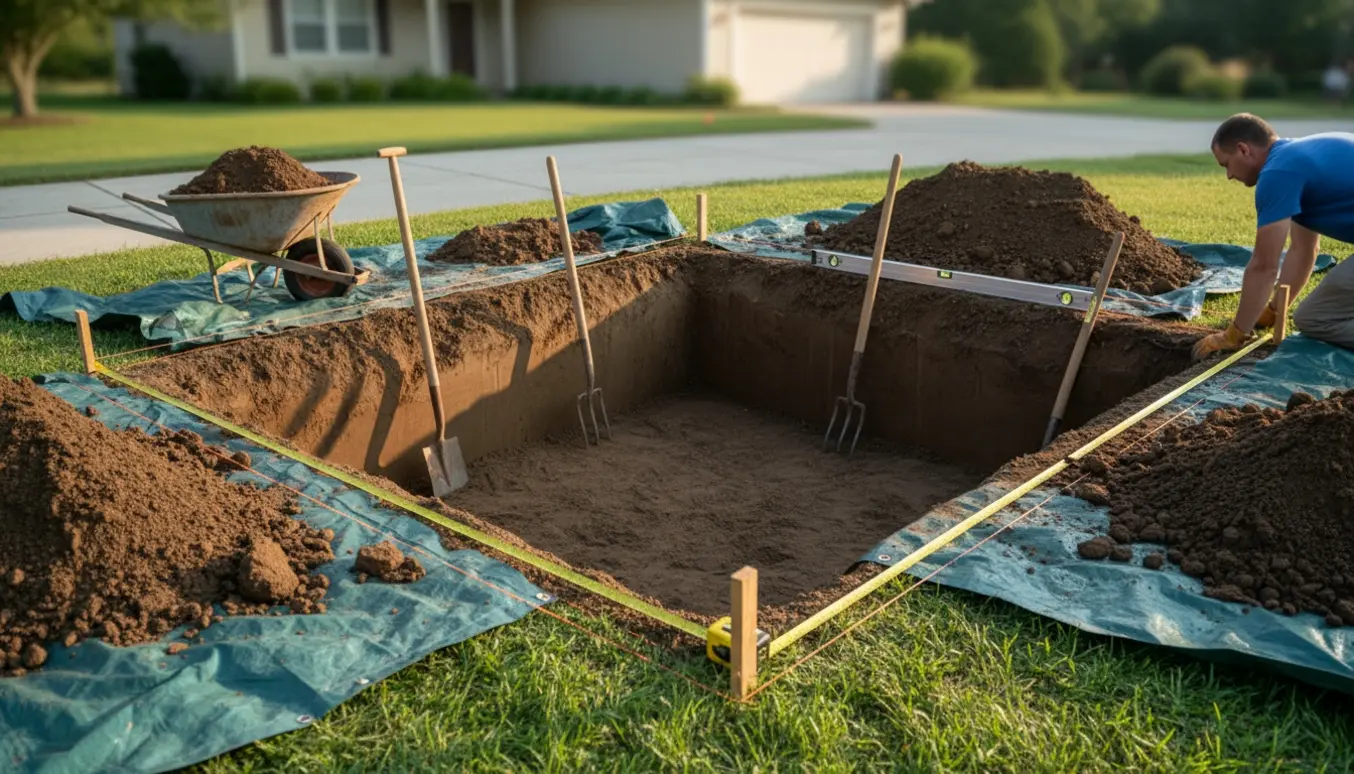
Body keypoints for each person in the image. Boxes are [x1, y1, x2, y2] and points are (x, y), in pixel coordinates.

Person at [1192, 114, 1354, 359]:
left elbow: (1263, 266)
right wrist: (1275, 309)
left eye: (1226, 165)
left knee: (1315, 319)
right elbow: (1303, 251)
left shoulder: (1278, 173)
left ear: (1243, 150)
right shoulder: (1296, 158)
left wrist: (1234, 334)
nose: (1229, 176)